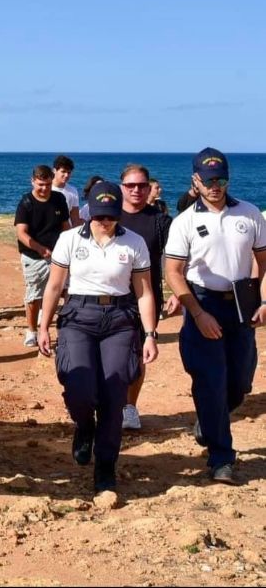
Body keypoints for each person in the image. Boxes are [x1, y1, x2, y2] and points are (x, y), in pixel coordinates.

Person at [37, 181, 159, 493]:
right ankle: (84, 426)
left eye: (110, 216)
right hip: (78, 316)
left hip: (119, 319)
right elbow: (54, 286)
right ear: (89, 212)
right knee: (79, 386)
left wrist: (149, 334)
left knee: (114, 390)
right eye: (99, 216)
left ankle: (106, 465)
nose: (104, 222)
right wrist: (42, 325)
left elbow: (143, 291)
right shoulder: (68, 239)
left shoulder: (134, 242)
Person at [164, 147, 266, 485]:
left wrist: (263, 301)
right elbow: (174, 272)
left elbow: (264, 261)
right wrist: (196, 311)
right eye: (208, 181)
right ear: (196, 180)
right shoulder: (185, 221)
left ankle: (208, 421)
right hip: (203, 302)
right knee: (211, 382)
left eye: (221, 179)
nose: (215, 187)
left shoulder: (250, 214)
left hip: (242, 303)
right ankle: (222, 458)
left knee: (239, 383)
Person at [116, 164, 174, 430]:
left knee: (138, 354)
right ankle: (106, 404)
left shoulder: (160, 220)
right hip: (110, 297)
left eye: (142, 185)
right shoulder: (108, 215)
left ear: (149, 188)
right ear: (121, 188)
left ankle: (129, 407)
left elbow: (176, 260)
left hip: (146, 298)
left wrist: (178, 294)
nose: (137, 190)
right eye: (131, 186)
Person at [14, 165, 70, 347]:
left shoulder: (59, 199)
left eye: (47, 184)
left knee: (67, 292)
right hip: (34, 257)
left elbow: (65, 226)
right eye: (40, 184)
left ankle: (65, 330)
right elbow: (21, 233)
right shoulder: (25, 203)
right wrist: (40, 249)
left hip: (59, 256)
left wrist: (69, 247)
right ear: (32, 181)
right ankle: (32, 331)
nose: (44, 188)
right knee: (34, 295)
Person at [51, 155, 81, 226]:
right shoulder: (46, 189)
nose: (66, 175)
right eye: (63, 171)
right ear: (54, 170)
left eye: (69, 172)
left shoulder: (73, 191)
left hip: (67, 232)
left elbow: (75, 218)